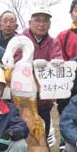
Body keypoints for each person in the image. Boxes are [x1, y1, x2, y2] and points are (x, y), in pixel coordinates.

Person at [20, 8, 64, 137]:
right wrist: (33, 66)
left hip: (44, 102)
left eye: (45, 21)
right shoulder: (19, 40)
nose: (41, 24)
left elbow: (58, 60)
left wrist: (57, 62)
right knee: (23, 138)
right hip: (23, 102)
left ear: (49, 24)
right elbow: (16, 64)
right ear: (30, 22)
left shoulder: (53, 43)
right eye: (37, 20)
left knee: (42, 139)